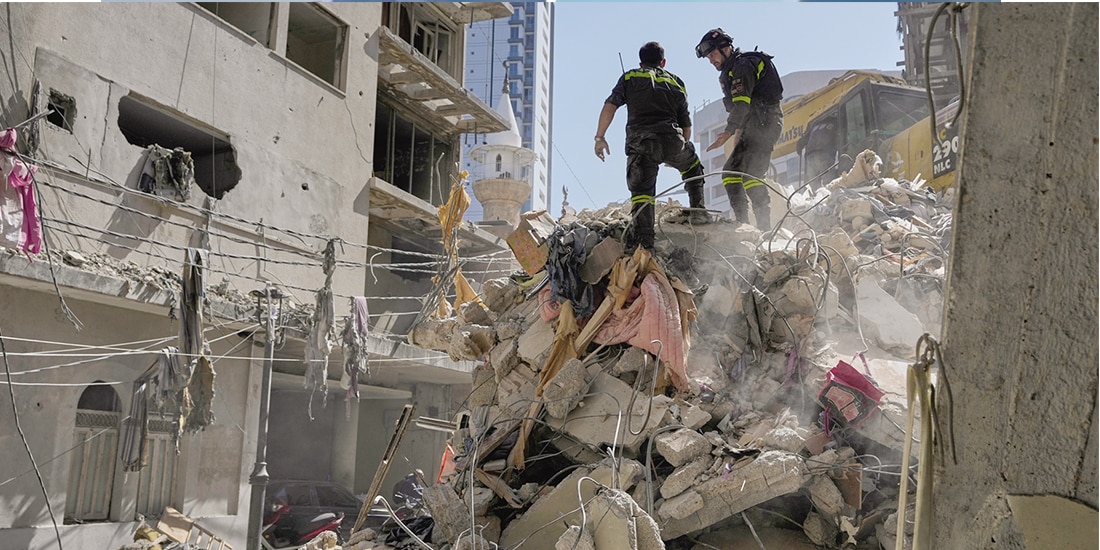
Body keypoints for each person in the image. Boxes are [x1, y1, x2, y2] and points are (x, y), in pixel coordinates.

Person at [594, 41, 708, 251]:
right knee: (693, 169)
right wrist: (678, 153)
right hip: (673, 140)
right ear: (663, 62)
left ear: (641, 62)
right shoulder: (677, 83)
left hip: (643, 143)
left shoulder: (630, 77)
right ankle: (699, 212)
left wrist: (599, 137)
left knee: (643, 191)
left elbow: (610, 106)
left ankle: (645, 243)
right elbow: (686, 127)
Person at [696, 28, 784, 231]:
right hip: (755, 125)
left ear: (725, 48)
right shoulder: (731, 71)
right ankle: (746, 225)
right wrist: (737, 139)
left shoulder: (743, 66)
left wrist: (726, 134)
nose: (711, 61)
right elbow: (742, 111)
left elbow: (742, 106)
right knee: (734, 174)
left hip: (764, 123)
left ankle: (760, 229)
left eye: (713, 55)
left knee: (751, 175)